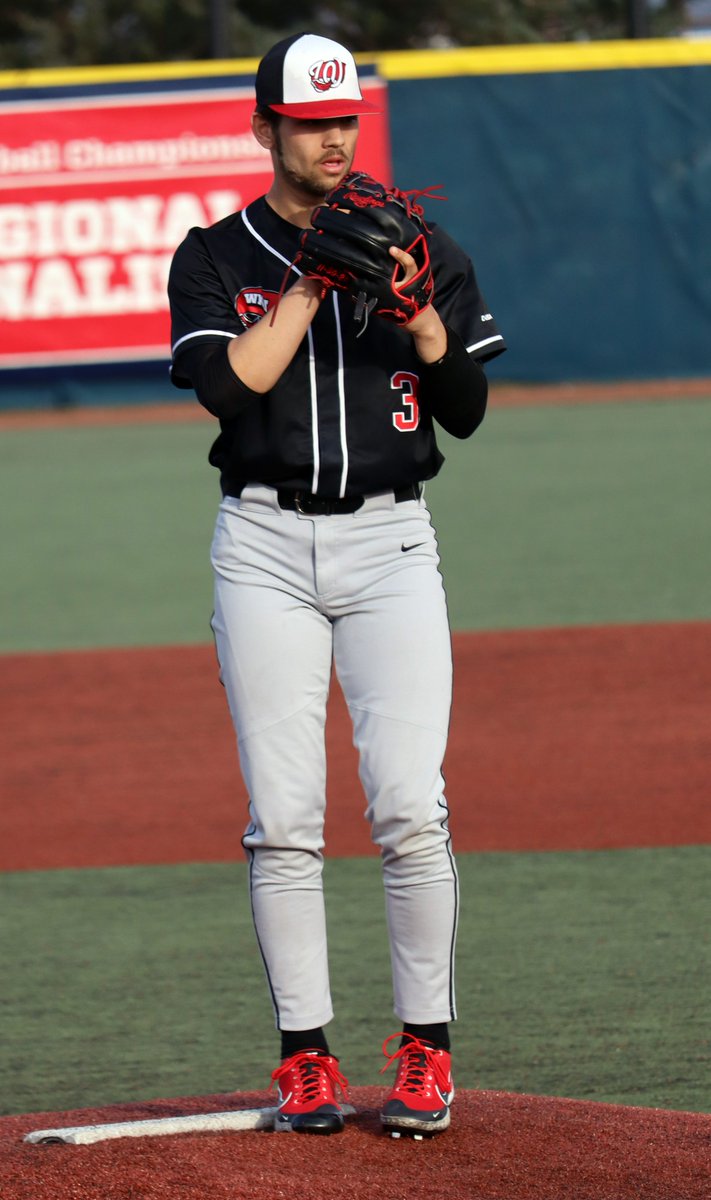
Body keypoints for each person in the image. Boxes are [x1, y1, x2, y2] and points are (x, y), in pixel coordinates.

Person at [168, 30, 506, 1138]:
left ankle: (425, 1054)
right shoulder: (217, 253)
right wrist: (310, 288)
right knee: (285, 820)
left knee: (412, 805)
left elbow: (464, 407)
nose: (330, 138)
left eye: (343, 120)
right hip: (262, 548)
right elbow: (230, 387)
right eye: (309, 122)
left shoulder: (417, 243)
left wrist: (417, 315)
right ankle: (305, 1059)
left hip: (393, 547)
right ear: (265, 127)